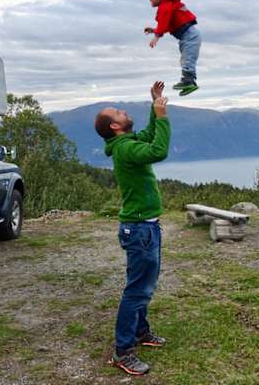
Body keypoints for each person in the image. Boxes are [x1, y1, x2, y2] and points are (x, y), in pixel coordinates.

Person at [93, 81, 171, 376]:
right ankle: (122, 351)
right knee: (137, 290)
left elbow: (149, 136)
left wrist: (155, 105)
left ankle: (141, 332)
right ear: (115, 126)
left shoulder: (126, 143)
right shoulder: (125, 148)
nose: (124, 111)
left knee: (142, 286)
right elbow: (159, 149)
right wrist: (162, 115)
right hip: (139, 229)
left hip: (144, 226)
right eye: (118, 111)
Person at [144, 0, 201, 96]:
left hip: (190, 36)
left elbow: (164, 21)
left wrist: (157, 36)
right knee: (185, 59)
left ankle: (188, 81)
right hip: (187, 36)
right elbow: (168, 25)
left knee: (187, 59)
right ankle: (189, 84)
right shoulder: (169, 5)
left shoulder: (166, 6)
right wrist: (155, 30)